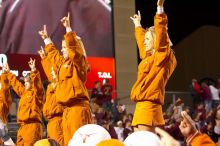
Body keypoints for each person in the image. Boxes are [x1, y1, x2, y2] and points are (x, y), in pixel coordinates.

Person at [39, 13, 92, 145]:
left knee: (78, 143)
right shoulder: (63, 64)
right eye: (62, 48)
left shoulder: (79, 63)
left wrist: (68, 29)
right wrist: (46, 39)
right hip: (67, 111)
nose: (62, 50)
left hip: (78, 109)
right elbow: (54, 56)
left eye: (65, 48)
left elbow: (75, 50)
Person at [130, 0, 177, 132]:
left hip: (149, 108)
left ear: (156, 42)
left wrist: (160, 9)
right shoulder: (149, 57)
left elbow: (161, 33)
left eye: (148, 40)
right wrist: (137, 25)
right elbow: (140, 42)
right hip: (141, 107)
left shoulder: (161, 57)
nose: (144, 43)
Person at [2, 58, 44, 146]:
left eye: (27, 82)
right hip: (22, 127)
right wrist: (8, 72)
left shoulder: (37, 94)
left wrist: (34, 70)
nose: (25, 84)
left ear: (32, 83)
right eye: (24, 82)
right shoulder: (24, 93)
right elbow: (16, 84)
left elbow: (38, 85)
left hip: (32, 127)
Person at [39, 47, 64, 146]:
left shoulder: (61, 82)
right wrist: (44, 58)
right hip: (50, 121)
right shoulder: (51, 84)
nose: (52, 73)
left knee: (58, 143)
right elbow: (50, 71)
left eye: (54, 71)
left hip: (58, 120)